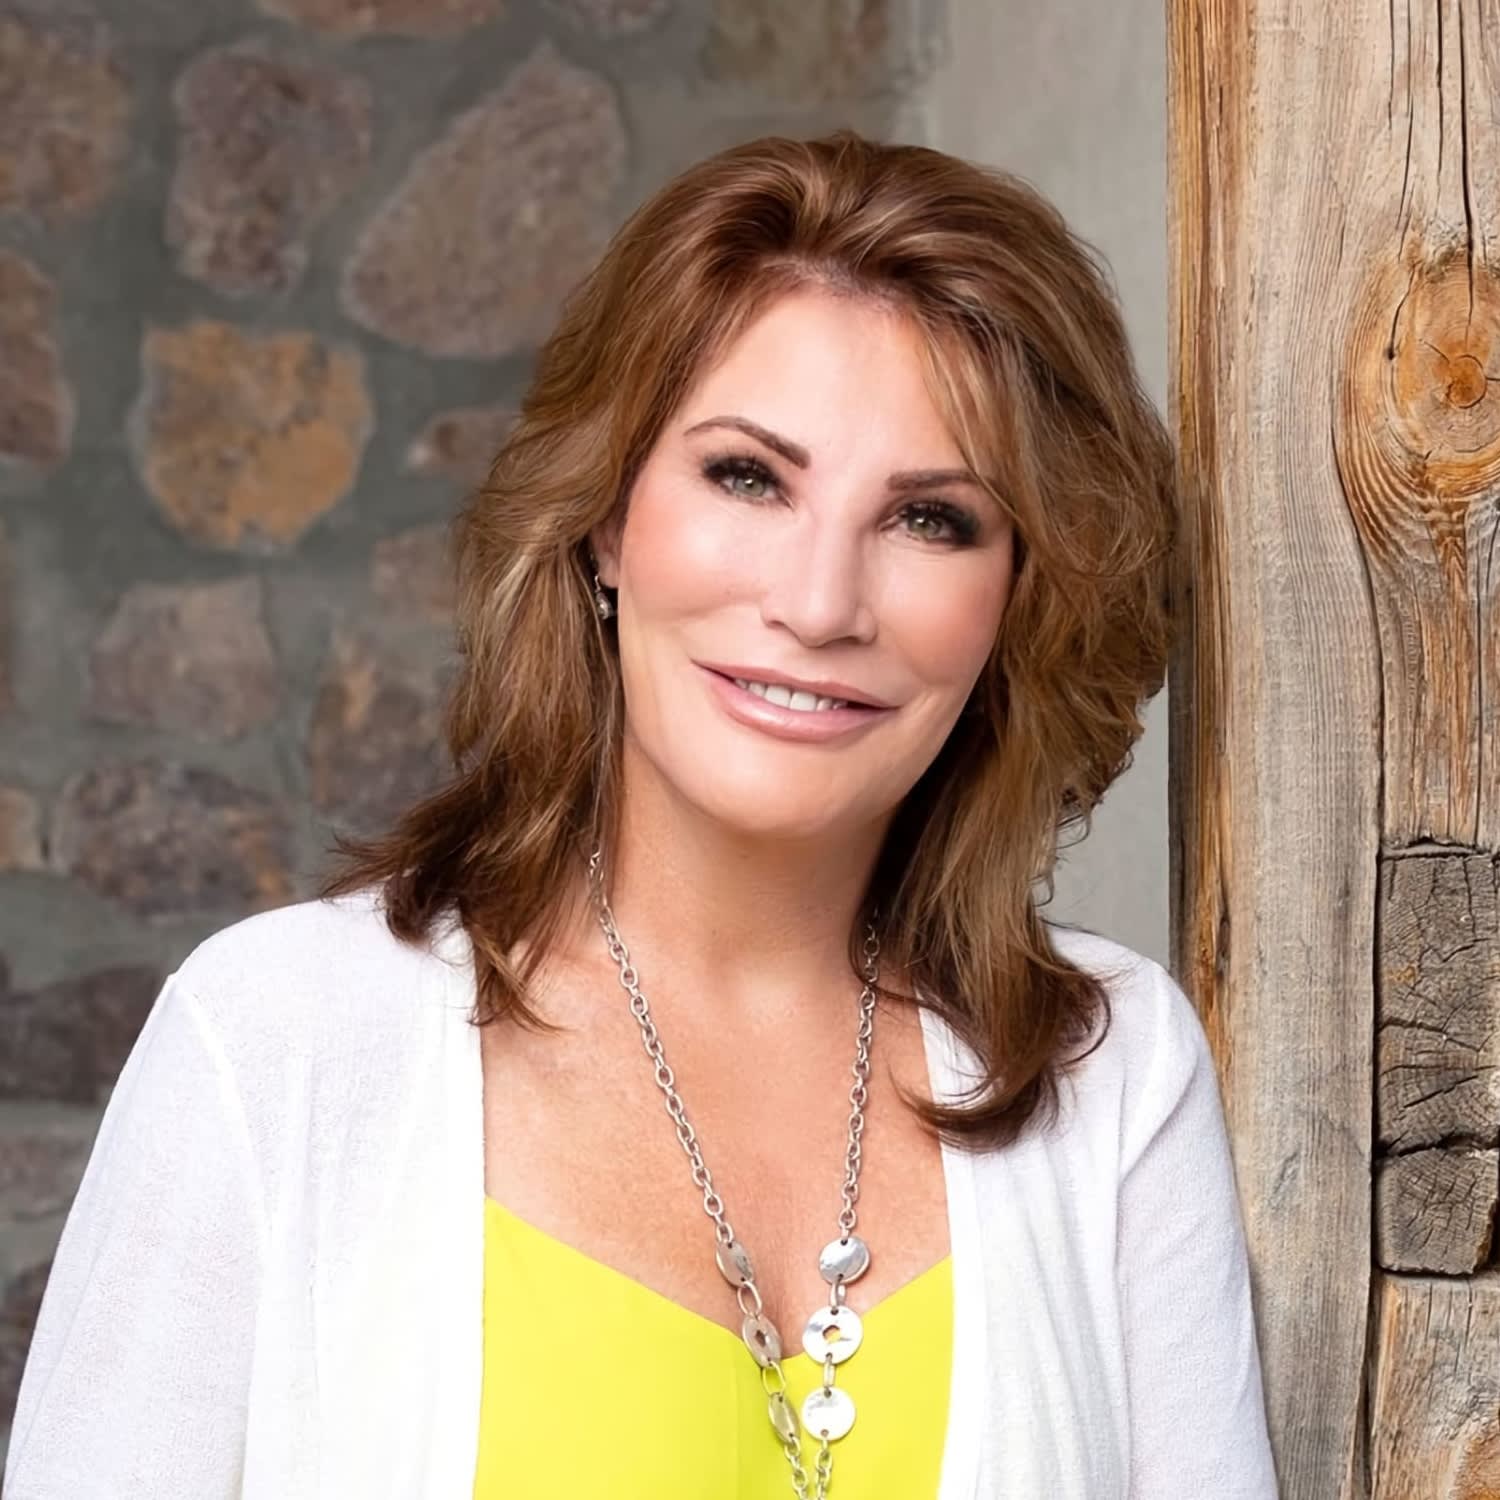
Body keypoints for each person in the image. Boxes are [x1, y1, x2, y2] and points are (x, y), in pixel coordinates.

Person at [3, 130, 1278, 1498]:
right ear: (608, 519)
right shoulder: (276, 1044)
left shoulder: (1113, 1074)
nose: (819, 605)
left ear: (1020, 593)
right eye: (748, 477)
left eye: (930, 519)